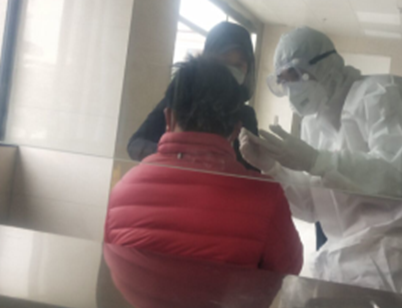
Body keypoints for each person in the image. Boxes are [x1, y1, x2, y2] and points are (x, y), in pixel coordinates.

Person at [240, 27, 402, 298]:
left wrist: (317, 160)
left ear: (324, 66)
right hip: (342, 261)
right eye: (282, 82)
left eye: (294, 76)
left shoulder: (381, 94)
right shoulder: (313, 124)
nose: (290, 90)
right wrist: (273, 168)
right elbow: (311, 208)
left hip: (398, 263)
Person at [105, 55, 303, 275]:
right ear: (236, 131)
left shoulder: (122, 191)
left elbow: (115, 264)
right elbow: (288, 271)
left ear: (169, 119)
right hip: (230, 299)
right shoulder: (267, 200)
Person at [127, 22, 258, 171]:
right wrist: (178, 157)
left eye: (239, 65)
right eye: (224, 62)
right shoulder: (183, 99)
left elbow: (252, 171)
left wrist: (274, 168)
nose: (230, 72)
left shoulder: (246, 115)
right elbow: (135, 145)